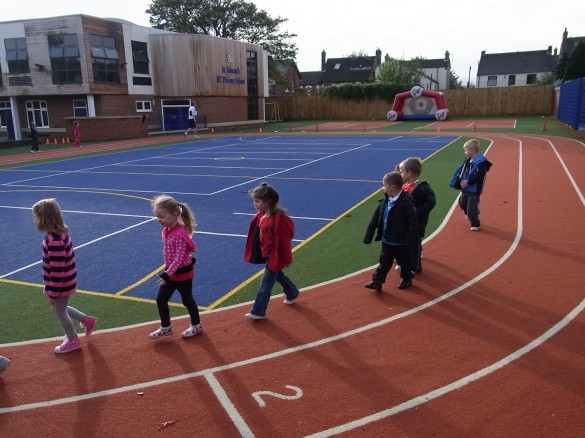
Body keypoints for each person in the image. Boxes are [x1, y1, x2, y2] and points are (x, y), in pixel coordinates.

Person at [32, 199, 98, 354]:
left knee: (59, 311)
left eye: (36, 217)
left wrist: (52, 293)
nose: (35, 221)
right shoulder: (56, 235)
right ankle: (87, 320)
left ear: (44, 219)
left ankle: (72, 339)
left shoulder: (54, 240)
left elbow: (57, 270)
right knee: (59, 308)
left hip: (62, 283)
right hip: (64, 281)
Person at [149, 195, 202, 339]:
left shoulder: (179, 233)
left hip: (182, 274)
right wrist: (189, 258)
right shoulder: (166, 230)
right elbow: (177, 253)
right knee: (161, 299)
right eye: (157, 216)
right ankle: (166, 327)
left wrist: (167, 275)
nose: (159, 219)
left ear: (174, 214)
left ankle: (196, 325)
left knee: (187, 300)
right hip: (172, 272)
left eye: (162, 216)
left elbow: (178, 258)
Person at [244, 183, 299, 319]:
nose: (254, 204)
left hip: (275, 256)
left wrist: (281, 255)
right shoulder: (261, 215)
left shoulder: (279, 220)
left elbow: (285, 237)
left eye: (257, 201)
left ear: (268, 202)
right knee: (278, 275)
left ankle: (258, 311)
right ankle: (292, 292)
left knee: (266, 283)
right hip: (267, 254)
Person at [363, 171, 418, 291]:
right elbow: (375, 217)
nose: (383, 187)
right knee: (384, 262)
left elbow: (413, 222)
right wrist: (369, 235)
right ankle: (377, 281)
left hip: (402, 242)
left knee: (405, 263)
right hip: (387, 239)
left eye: (384, 185)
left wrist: (409, 239)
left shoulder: (406, 202)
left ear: (392, 187)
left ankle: (407, 278)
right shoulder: (385, 200)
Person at [398, 157, 436, 273]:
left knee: (414, 244)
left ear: (409, 173)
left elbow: (431, 202)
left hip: (416, 223)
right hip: (403, 222)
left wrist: (416, 211)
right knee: (403, 242)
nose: (400, 174)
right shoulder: (403, 187)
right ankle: (402, 261)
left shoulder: (423, 188)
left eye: (401, 172)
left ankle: (415, 267)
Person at [449, 139, 493, 231]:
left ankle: (475, 223)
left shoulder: (481, 162)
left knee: (471, 210)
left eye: (466, 150)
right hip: (465, 188)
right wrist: (459, 181)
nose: (465, 152)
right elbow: (462, 171)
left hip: (473, 189)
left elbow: (480, 175)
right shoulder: (467, 160)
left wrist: (468, 182)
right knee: (462, 203)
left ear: (473, 150)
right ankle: (472, 211)